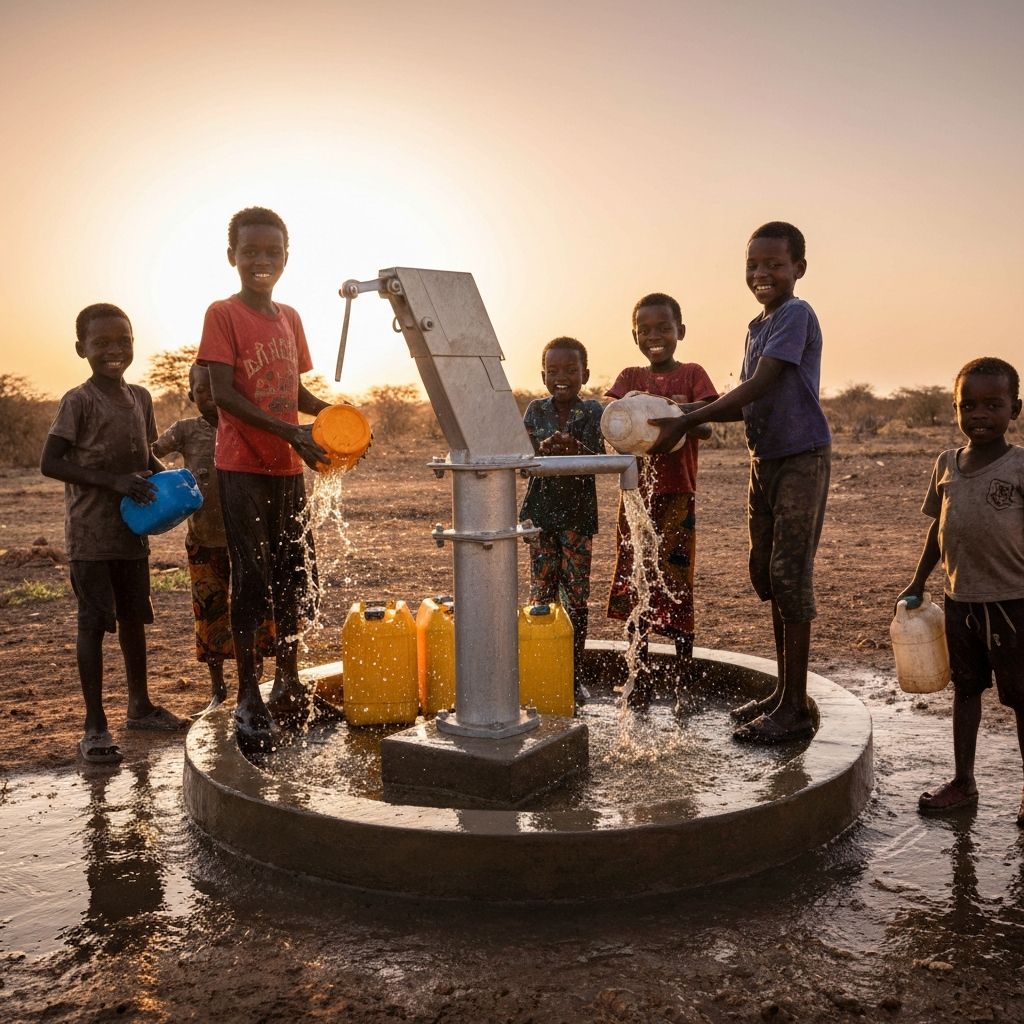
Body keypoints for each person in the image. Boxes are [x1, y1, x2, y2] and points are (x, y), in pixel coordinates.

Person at [650, 223, 831, 742]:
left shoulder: (796, 315)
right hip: (766, 459)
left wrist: (685, 421)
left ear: (799, 267)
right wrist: (683, 410)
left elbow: (762, 383)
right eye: (754, 265)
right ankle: (783, 694)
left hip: (801, 457)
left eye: (774, 264)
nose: (762, 274)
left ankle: (795, 708)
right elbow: (747, 399)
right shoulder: (758, 325)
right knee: (769, 576)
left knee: (790, 576)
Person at [196, 206, 331, 749]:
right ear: (233, 257)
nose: (261, 261)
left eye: (271, 252)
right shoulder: (223, 314)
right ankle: (249, 694)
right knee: (251, 580)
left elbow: (295, 394)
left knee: (293, 576)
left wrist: (329, 417)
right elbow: (224, 394)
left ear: (286, 258)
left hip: (286, 468)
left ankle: (290, 683)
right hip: (242, 467)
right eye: (250, 251)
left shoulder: (290, 317)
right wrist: (290, 431)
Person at [40, 303, 187, 765]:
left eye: (122, 340)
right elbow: (50, 463)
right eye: (101, 343)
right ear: (81, 347)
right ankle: (94, 724)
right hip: (90, 536)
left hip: (132, 534)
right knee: (93, 624)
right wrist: (114, 482)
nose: (113, 350)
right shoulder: (78, 400)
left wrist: (176, 488)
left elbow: (146, 460)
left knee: (133, 620)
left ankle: (140, 706)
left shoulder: (140, 398)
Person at [897, 357, 1024, 826]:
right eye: (967, 405)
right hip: (959, 599)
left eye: (993, 404)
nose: (979, 415)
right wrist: (918, 580)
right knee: (966, 690)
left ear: (1016, 409)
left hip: (1013, 602)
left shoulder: (1020, 465)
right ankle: (963, 782)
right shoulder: (946, 464)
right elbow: (938, 530)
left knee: (1021, 697)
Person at [605, 293, 717, 710]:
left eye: (664, 328)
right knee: (637, 580)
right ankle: (640, 677)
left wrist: (671, 411)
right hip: (635, 497)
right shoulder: (630, 376)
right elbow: (609, 413)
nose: (655, 336)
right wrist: (632, 405)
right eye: (645, 330)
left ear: (680, 332)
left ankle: (683, 682)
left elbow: (707, 421)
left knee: (676, 584)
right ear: (634, 336)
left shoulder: (692, 374)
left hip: (676, 497)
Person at [152, 363, 276, 715]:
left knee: (252, 613)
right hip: (204, 540)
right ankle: (219, 690)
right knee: (211, 616)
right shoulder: (186, 432)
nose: (209, 395)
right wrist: (171, 483)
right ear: (191, 395)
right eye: (200, 389)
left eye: (214, 387)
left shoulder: (245, 426)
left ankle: (253, 688)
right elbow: (150, 454)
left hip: (248, 539)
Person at [519, 337, 605, 705]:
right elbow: (523, 463)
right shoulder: (534, 411)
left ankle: (572, 676)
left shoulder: (593, 412)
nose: (562, 377)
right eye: (553, 370)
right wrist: (541, 452)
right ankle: (542, 670)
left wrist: (575, 452)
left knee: (577, 598)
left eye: (571, 370)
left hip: (577, 519)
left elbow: (599, 459)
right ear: (542, 375)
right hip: (540, 516)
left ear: (584, 373)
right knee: (542, 593)